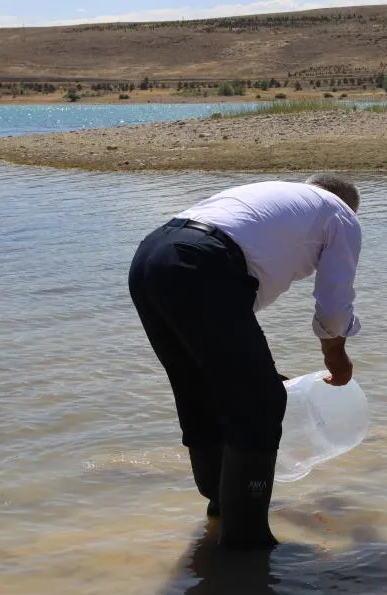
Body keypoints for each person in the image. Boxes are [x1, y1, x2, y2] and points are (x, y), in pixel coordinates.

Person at [128, 174, 362, 549]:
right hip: (201, 265)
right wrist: (336, 355)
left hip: (151, 258)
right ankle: (247, 542)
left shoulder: (277, 197)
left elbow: (226, 322)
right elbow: (334, 304)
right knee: (262, 405)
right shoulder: (342, 216)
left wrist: (254, 374)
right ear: (348, 205)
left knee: (199, 388)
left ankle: (221, 510)